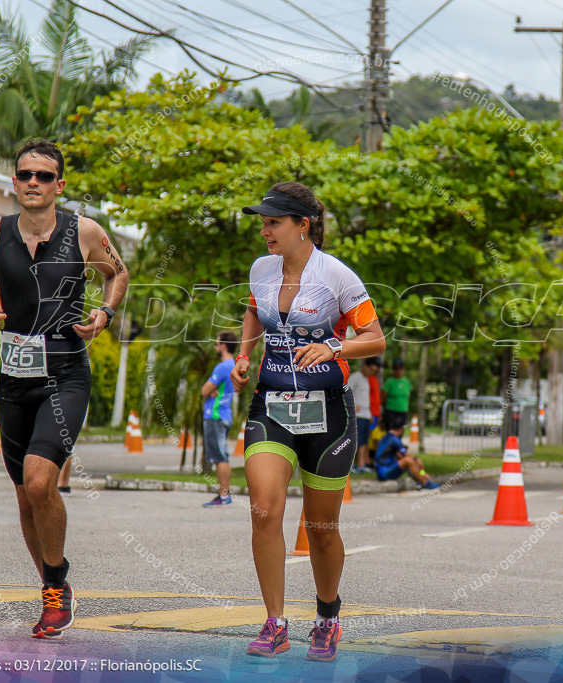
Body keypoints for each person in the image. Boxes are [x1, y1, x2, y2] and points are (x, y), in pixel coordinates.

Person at [0, 140, 129, 639]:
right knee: (23, 497)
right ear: (14, 182)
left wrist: (104, 312)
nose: (32, 182)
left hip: (65, 376)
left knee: (41, 482)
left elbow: (117, 275)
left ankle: (55, 589)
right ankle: (53, 587)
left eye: (43, 175)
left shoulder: (85, 232)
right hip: (13, 380)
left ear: (60, 184)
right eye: (24, 174)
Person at [230, 181, 385, 662]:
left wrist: (335, 346)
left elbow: (375, 338)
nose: (265, 231)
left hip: (328, 411)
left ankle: (327, 615)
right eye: (263, 222)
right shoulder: (262, 270)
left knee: (320, 526)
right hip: (271, 405)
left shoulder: (337, 277)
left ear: (303, 225)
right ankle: (275, 623)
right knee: (263, 509)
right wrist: (243, 354)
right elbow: (255, 312)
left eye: (274, 222)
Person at [201, 332, 239, 506]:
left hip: (215, 416)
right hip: (224, 414)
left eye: (217, 343)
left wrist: (211, 391)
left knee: (220, 456)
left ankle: (224, 495)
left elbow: (204, 390)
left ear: (223, 346)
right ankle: (223, 494)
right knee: (220, 455)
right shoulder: (234, 365)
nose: (215, 346)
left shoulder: (223, 366)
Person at [374, 417, 439, 489]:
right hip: (385, 472)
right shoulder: (394, 439)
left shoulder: (387, 437)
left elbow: (400, 455)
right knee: (409, 461)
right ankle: (424, 482)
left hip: (382, 470)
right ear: (402, 428)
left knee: (409, 461)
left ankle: (421, 478)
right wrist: (417, 460)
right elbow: (407, 456)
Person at [348, 357, 380, 472]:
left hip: (366, 413)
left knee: (364, 441)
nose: (371, 372)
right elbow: (347, 390)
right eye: (371, 369)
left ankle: (361, 464)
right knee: (357, 441)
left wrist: (370, 414)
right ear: (365, 366)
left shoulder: (366, 379)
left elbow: (366, 398)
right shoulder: (356, 377)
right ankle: (351, 465)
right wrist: (352, 406)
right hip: (358, 414)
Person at [381, 358, 412, 430]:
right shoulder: (389, 382)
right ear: (393, 369)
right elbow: (382, 397)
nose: (398, 370)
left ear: (403, 369)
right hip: (391, 411)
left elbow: (408, 397)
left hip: (403, 411)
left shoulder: (406, 382)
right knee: (391, 433)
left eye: (400, 368)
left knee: (400, 433)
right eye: (396, 368)